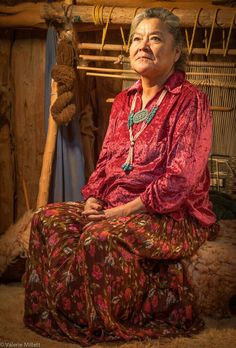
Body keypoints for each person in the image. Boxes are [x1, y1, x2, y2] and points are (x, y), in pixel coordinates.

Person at [24, 7, 216, 346]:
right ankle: (70, 314)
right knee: (46, 219)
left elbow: (181, 179)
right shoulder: (124, 102)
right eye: (137, 39)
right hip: (113, 204)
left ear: (176, 52)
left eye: (155, 38)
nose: (143, 46)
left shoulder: (191, 101)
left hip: (168, 214)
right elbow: (107, 161)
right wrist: (94, 198)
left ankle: (103, 320)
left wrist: (120, 213)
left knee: (97, 237)